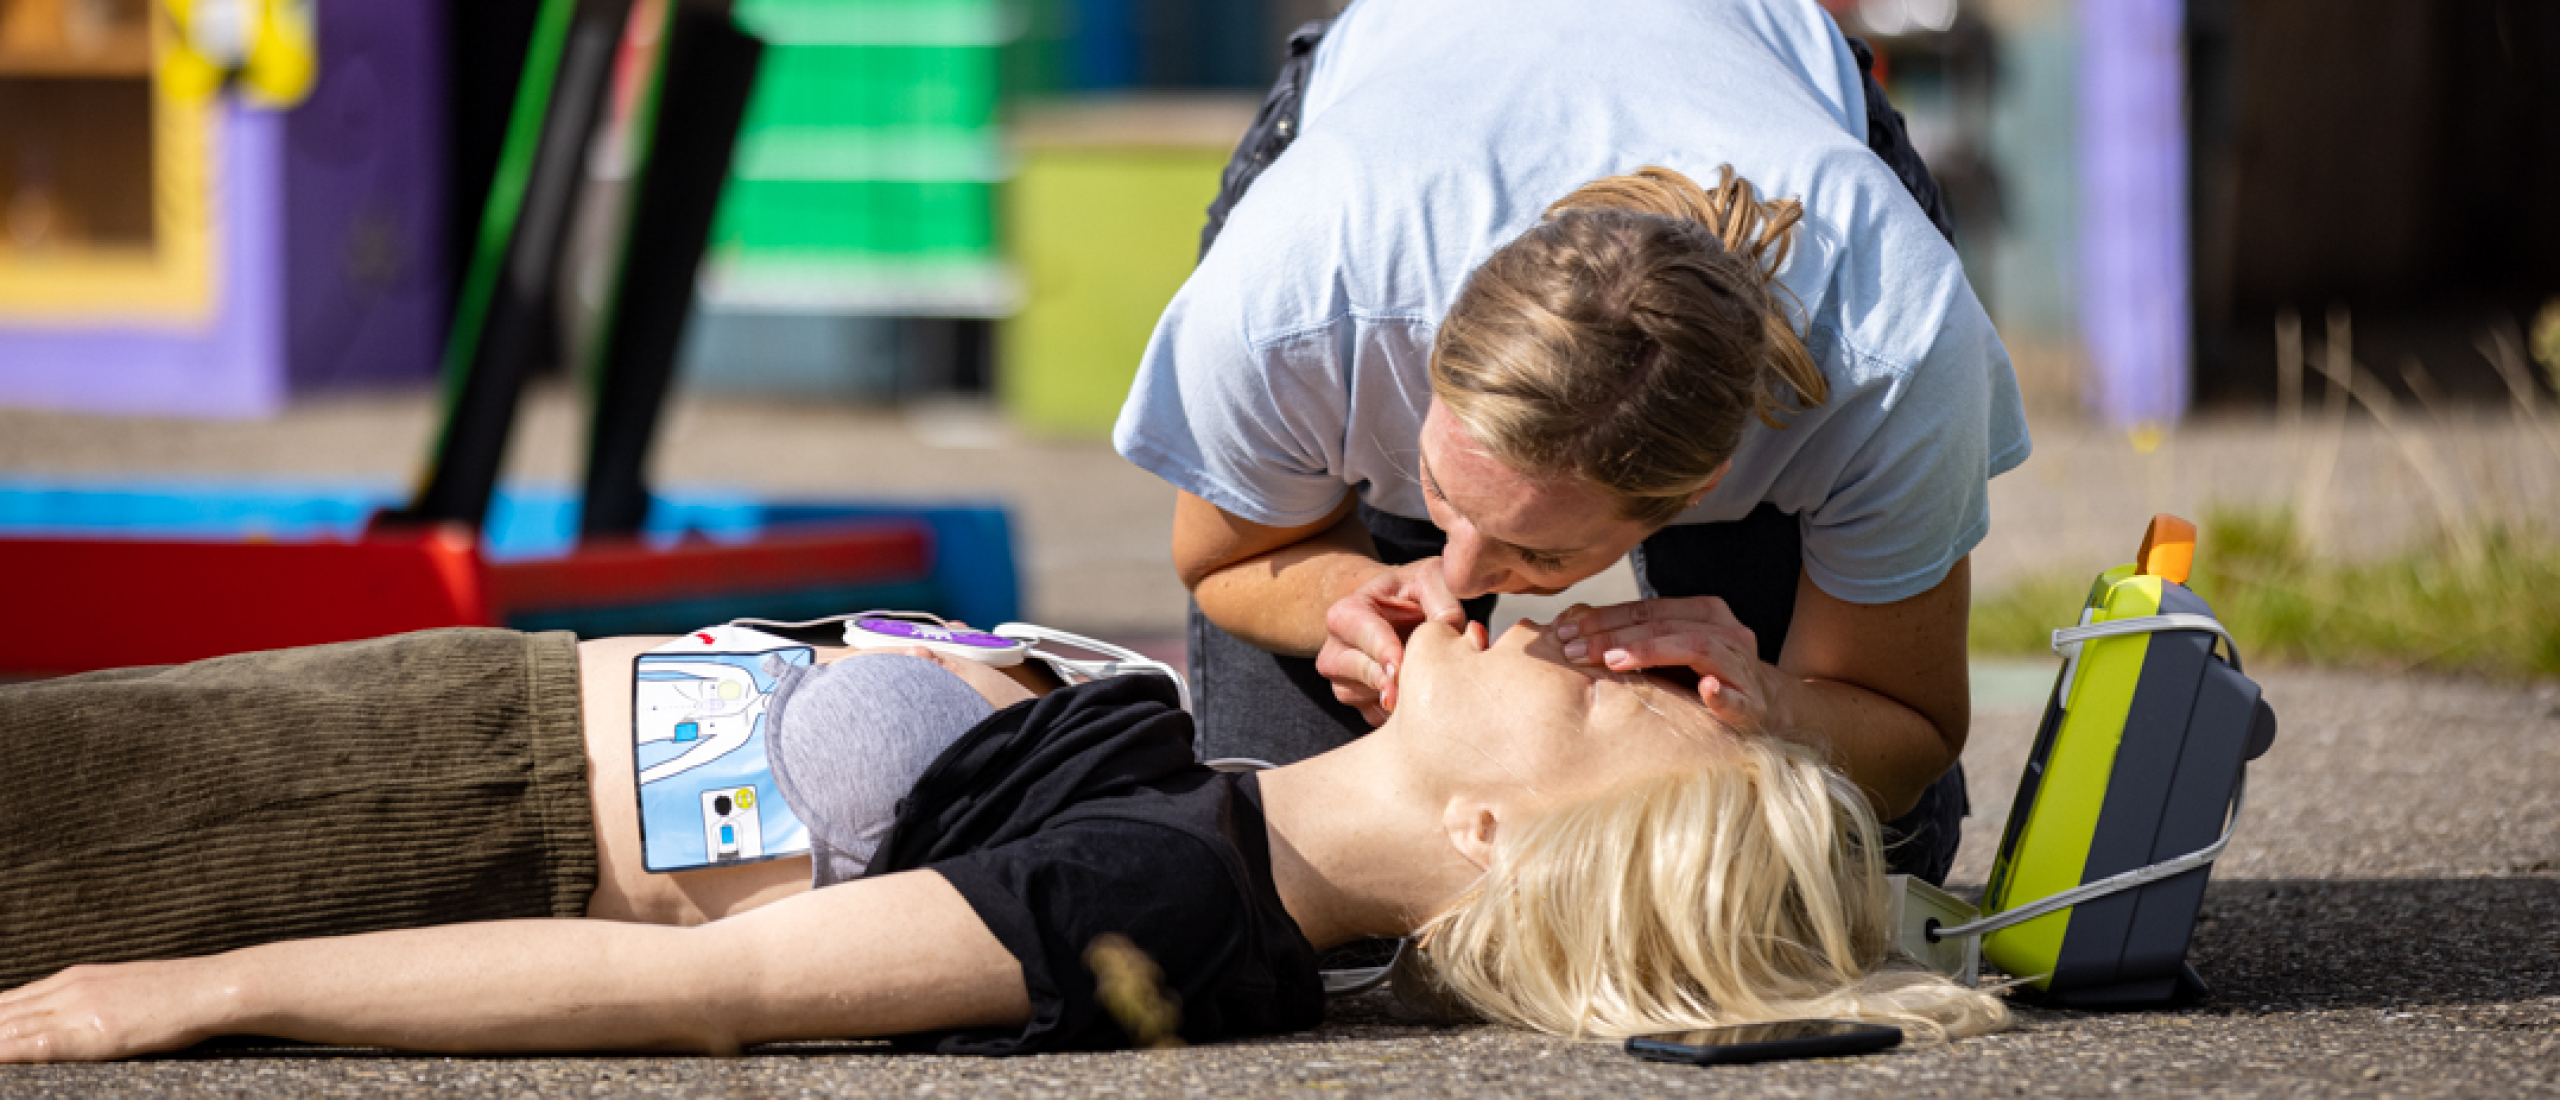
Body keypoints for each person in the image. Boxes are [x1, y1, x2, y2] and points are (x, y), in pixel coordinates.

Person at [0, 623, 2006, 1061]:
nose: (1582, 637)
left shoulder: (1169, 900)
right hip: (456, 722)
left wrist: (180, 992)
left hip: (418, 797)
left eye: (1597, 688)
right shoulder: (1289, 791)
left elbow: (704, 987)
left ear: (1482, 829)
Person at [1113, 0, 2032, 884]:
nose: (1464, 583)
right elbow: (1225, 559)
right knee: (1304, 857)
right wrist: (1352, 596)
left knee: (1853, 856)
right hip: (1394, 72)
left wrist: (1773, 706)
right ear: (1424, 361)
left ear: (1698, 488)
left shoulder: (1893, 357)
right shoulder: (1291, 303)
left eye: (1539, 549)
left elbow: (1902, 723)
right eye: (1437, 489)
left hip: (1767, 65)